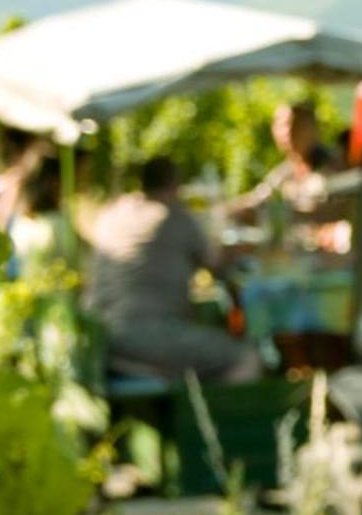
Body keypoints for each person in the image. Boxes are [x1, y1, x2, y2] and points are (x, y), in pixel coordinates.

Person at [86, 156, 261, 383]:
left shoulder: (111, 213)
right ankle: (212, 418)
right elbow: (217, 267)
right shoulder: (174, 216)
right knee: (245, 358)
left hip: (99, 338)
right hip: (147, 338)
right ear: (175, 184)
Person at [225, 100, 338, 222]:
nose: (288, 132)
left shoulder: (333, 167)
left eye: (296, 124)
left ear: (315, 129)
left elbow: (335, 213)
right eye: (281, 125)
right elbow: (258, 197)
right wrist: (227, 209)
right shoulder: (286, 172)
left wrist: (276, 215)